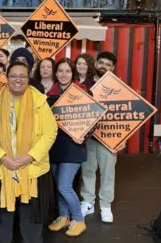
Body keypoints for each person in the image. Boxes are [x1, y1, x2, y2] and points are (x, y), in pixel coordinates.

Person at [0, 62, 57, 243]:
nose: (17, 80)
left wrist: (28, 158)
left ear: (29, 79)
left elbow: (50, 132)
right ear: (7, 78)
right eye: (13, 76)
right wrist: (2, 157)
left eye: (22, 76)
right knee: (2, 220)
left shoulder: (39, 100)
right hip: (3, 169)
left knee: (31, 221)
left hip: (32, 170)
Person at [80, 51, 125, 223]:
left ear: (112, 68)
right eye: (101, 63)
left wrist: (123, 137)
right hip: (88, 137)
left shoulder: (119, 86)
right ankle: (88, 202)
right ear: (96, 63)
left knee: (108, 172)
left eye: (108, 64)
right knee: (88, 170)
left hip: (109, 136)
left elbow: (126, 115)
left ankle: (106, 205)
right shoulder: (85, 84)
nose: (103, 66)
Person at [46, 58, 88, 237]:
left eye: (68, 71)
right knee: (58, 184)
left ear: (73, 74)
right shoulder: (49, 94)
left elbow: (93, 118)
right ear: (56, 73)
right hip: (55, 145)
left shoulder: (83, 92)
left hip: (73, 146)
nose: (64, 74)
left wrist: (85, 135)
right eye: (60, 71)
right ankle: (63, 217)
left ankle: (78, 219)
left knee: (64, 185)